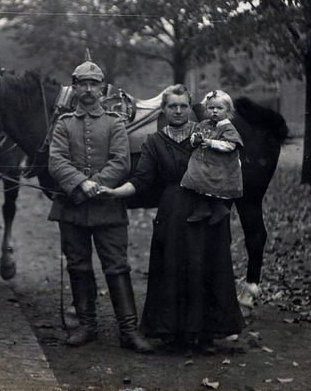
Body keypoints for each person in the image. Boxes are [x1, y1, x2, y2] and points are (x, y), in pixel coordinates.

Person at [100, 84, 243, 353]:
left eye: (183, 106)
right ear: (163, 110)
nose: (178, 111)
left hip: (207, 207)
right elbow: (141, 180)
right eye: (172, 106)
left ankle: (204, 334)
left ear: (191, 108)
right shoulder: (154, 142)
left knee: (205, 267)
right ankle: (171, 333)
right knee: (173, 268)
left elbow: (227, 165)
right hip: (173, 211)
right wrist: (114, 192)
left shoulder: (206, 133)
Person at [48, 59, 153, 353]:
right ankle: (87, 326)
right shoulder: (63, 124)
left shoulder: (115, 122)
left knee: (117, 267)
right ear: (75, 88)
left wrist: (97, 185)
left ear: (103, 89)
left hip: (108, 207)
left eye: (94, 84)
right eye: (83, 84)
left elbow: (122, 161)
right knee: (78, 265)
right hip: (72, 207)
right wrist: (81, 183)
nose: (89, 90)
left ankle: (129, 331)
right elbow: (56, 161)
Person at [180, 89, 244, 224]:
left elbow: (230, 145)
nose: (215, 111)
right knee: (196, 179)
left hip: (219, 164)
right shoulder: (204, 124)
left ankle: (218, 208)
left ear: (227, 111)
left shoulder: (227, 128)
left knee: (212, 184)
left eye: (219, 108)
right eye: (211, 108)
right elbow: (197, 135)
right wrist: (195, 139)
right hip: (204, 162)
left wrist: (211, 143)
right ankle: (203, 208)